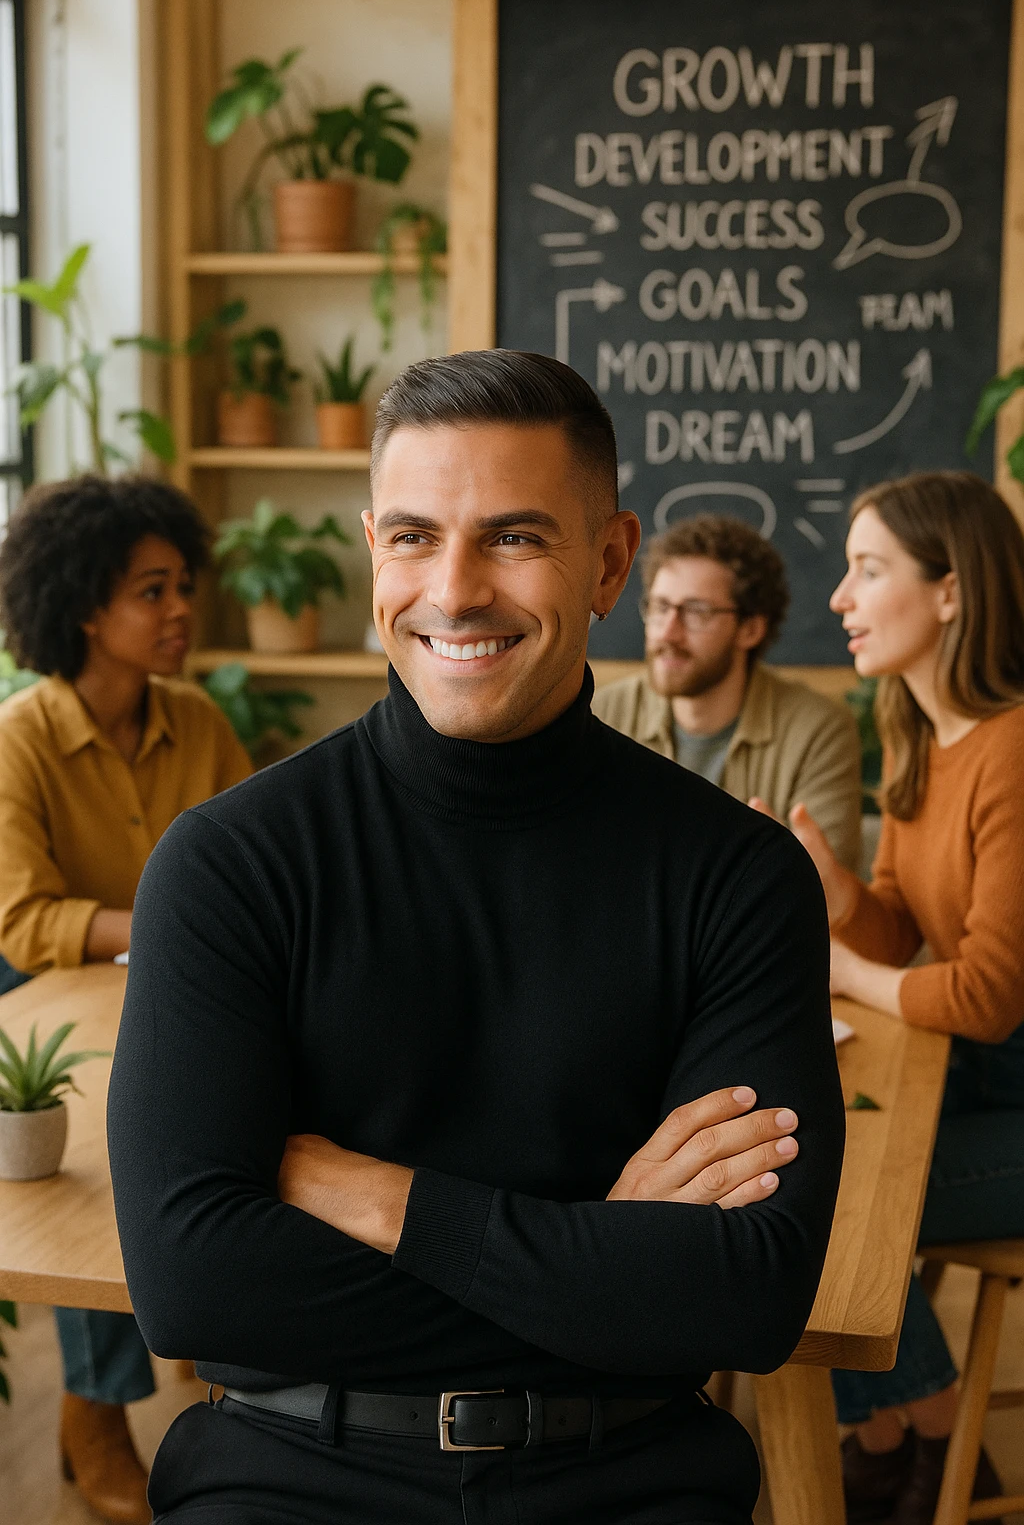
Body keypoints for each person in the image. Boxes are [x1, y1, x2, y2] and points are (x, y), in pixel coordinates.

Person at [107, 351, 845, 1525]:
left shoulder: (739, 878)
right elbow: (194, 1288)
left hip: (631, 1480)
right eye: (411, 537)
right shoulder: (228, 863)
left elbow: (747, 1299)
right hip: (287, 1475)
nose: (452, 591)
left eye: (512, 538)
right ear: (370, 554)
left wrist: (383, 1200)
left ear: (609, 560)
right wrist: (600, 1252)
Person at [0, 475, 252, 1525]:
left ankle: (229, 1343)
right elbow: (23, 921)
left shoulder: (196, 721)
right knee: (104, 1165)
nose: (182, 608)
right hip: (49, 1004)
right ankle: (95, 1410)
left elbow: (255, 868)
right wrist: (165, 931)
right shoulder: (19, 737)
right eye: (154, 590)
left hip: (180, 988)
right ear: (87, 607)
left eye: (183, 584)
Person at [775, 472, 1024, 1525]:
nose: (838, 596)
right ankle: (897, 1435)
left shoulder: (1013, 751)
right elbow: (898, 921)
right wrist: (834, 888)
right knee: (802, 1170)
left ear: (952, 592)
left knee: (832, 1209)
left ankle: (926, 1435)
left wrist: (841, 968)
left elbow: (985, 996)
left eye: (868, 570)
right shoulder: (920, 737)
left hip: (1010, 1091)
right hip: (980, 1086)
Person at [592, 515, 862, 869]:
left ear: (750, 629)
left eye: (696, 612)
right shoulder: (602, 715)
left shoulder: (816, 732)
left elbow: (824, 892)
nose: (667, 633)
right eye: (660, 608)